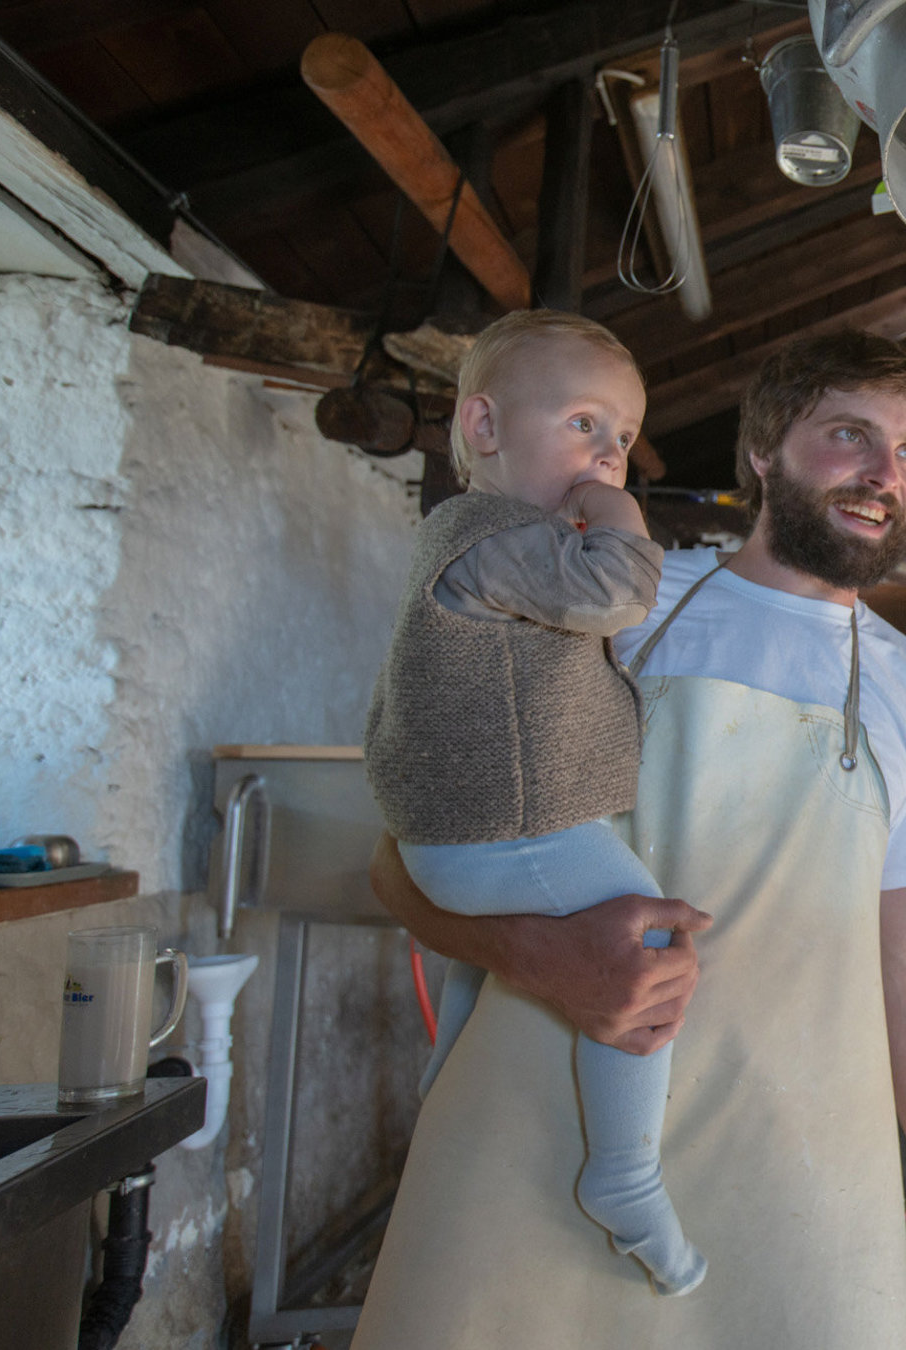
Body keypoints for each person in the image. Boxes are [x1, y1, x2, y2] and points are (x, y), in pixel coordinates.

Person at [353, 332, 906, 1348]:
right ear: (763, 452)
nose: (885, 475)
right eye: (850, 435)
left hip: (792, 1166)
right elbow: (404, 854)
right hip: (542, 1134)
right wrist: (536, 956)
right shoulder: (610, 601)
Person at [361, 308, 702, 1296]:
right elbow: (614, 599)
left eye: (625, 439)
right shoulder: (488, 532)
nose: (609, 459)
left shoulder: (487, 540)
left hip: (467, 844)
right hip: (510, 830)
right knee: (643, 950)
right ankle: (624, 1176)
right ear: (483, 429)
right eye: (585, 424)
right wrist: (631, 523)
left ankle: (444, 1112)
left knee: (475, 1006)